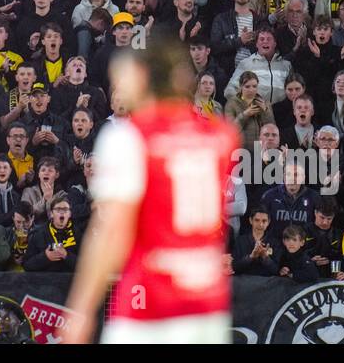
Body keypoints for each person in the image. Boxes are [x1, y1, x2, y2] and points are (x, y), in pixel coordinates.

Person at [62, 35, 239, 344]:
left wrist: (81, 309)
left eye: (121, 76)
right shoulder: (221, 134)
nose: (117, 85)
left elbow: (112, 232)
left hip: (152, 300)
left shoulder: (130, 137)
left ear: (143, 76)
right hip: (207, 299)